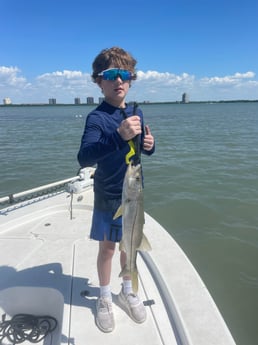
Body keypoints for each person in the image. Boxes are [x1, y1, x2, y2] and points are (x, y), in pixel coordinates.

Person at [77, 47, 155, 333]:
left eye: (125, 74)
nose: (119, 80)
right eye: (111, 75)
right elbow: (85, 157)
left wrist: (150, 146)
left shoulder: (137, 112)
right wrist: (117, 135)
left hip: (135, 193)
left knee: (129, 244)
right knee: (108, 248)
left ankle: (127, 289)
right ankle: (105, 297)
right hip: (109, 195)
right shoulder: (97, 118)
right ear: (99, 81)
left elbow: (139, 150)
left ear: (131, 80)